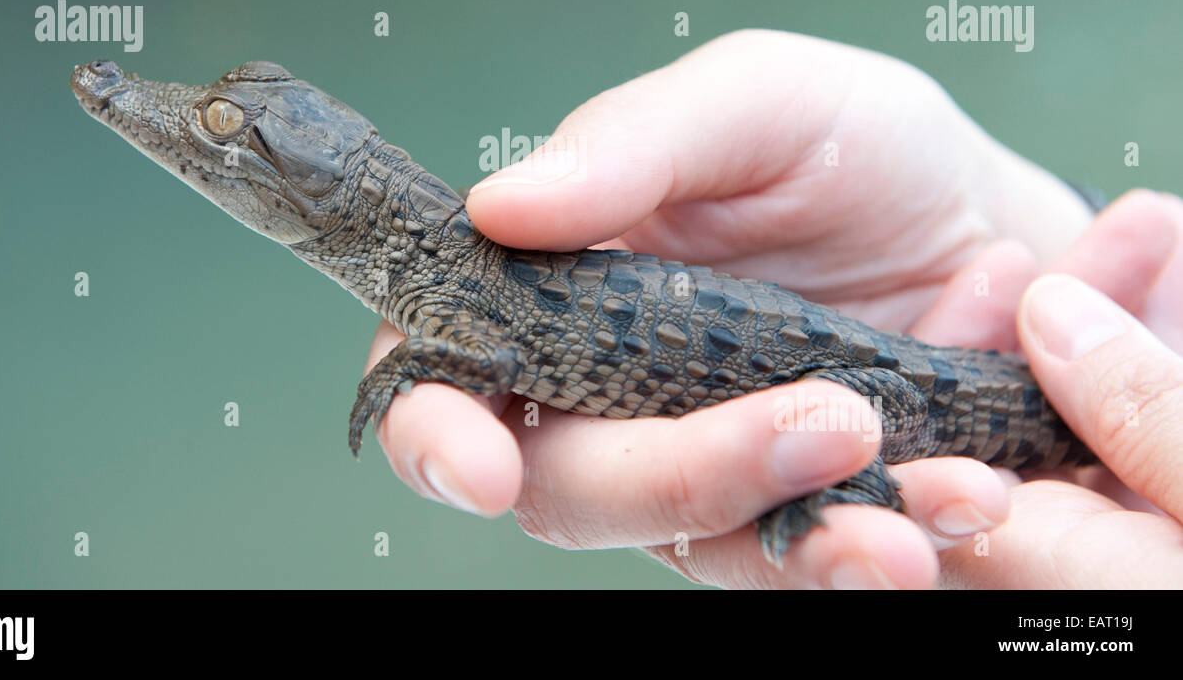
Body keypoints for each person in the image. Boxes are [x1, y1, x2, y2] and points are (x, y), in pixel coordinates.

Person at [358, 30, 1183, 589]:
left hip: (890, 389)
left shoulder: (448, 280)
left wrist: (405, 363)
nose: (222, 129)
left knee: (839, 448)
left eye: (224, 127)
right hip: (881, 371)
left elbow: (496, 362)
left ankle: (836, 479)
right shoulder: (445, 276)